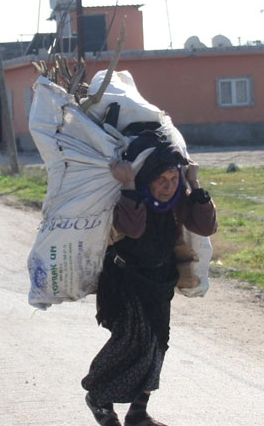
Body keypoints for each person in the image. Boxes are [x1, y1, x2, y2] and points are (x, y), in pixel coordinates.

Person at [81, 131, 218, 426]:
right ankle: (98, 396)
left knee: (159, 343)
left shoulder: (177, 201)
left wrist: (193, 184)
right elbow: (132, 229)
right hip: (125, 281)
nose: (168, 187)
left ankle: (138, 413)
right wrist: (129, 183)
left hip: (159, 281)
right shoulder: (131, 197)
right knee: (131, 341)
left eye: (173, 180)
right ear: (147, 178)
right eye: (161, 180)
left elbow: (206, 226)